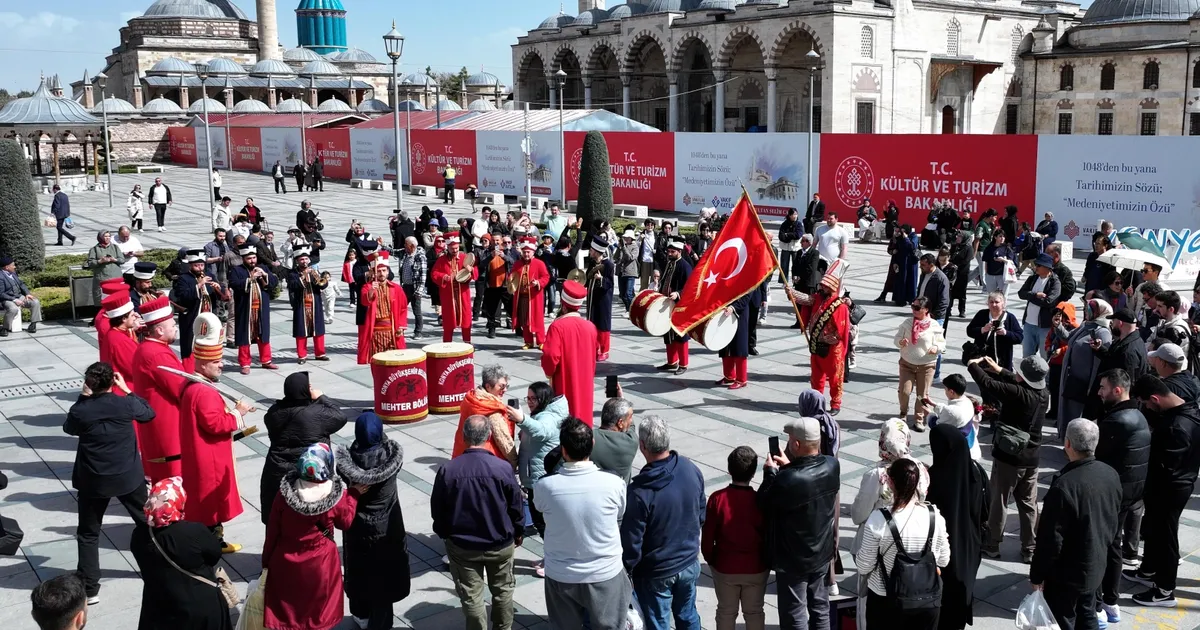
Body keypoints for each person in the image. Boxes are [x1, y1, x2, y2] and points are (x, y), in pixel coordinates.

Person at [64, 361, 154, 603]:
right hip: (128, 476)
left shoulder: (81, 410)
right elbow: (148, 413)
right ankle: (158, 570)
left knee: (88, 533)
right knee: (148, 524)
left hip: (94, 480)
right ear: (112, 382)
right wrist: (127, 390)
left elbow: (69, 428)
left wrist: (83, 398)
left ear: (89, 384)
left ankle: (90, 587)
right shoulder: (125, 404)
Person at [535, 417, 631, 630]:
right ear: (592, 444)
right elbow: (619, 513)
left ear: (563, 450)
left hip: (561, 574)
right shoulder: (615, 483)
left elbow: (540, 508)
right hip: (605, 573)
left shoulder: (545, 486)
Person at [433, 415, 524, 630]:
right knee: (503, 592)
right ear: (489, 435)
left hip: (463, 546)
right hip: (500, 543)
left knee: (471, 596)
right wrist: (518, 531)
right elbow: (516, 506)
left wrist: (445, 533)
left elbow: (438, 509)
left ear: (464, 437)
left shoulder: (448, 470)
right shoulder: (502, 468)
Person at [1030, 419, 1121, 630]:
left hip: (1066, 574)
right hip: (1096, 564)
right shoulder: (1110, 474)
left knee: (1064, 619)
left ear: (1068, 444)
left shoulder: (1064, 486)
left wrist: (1037, 575)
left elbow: (1051, 540)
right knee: (1087, 613)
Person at [621, 416, 706, 630]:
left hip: (656, 573)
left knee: (658, 623)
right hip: (688, 562)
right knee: (688, 615)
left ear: (642, 446)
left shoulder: (639, 492)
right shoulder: (689, 468)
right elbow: (701, 512)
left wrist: (627, 569)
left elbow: (632, 542)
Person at [263, 444, 360, 630]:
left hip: (286, 561)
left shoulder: (284, 494)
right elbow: (345, 522)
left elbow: (273, 532)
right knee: (319, 613)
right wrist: (353, 495)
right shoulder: (334, 495)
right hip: (321, 563)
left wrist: (266, 562)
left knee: (290, 612)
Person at [1124, 374, 1200, 607]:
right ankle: (1148, 570)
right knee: (1155, 530)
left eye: (1146, 403)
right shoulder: (1189, 410)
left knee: (1166, 537)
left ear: (1155, 399)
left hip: (1170, 489)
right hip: (1175, 484)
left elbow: (1163, 468)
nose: (1147, 408)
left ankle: (1164, 590)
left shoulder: (1176, 427)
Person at [758, 417, 840, 630]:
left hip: (794, 559)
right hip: (822, 552)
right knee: (821, 608)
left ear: (796, 444)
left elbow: (763, 502)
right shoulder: (832, 465)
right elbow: (808, 482)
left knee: (795, 613)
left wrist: (770, 474)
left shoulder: (788, 480)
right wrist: (790, 466)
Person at [178, 313, 249, 554]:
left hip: (200, 453)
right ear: (203, 363)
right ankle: (211, 546)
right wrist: (238, 413)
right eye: (216, 361)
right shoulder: (205, 392)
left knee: (205, 505)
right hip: (210, 458)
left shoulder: (194, 386)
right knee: (211, 505)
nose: (221, 364)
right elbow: (216, 424)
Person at [335, 412, 411, 630]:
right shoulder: (391, 460)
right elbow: (388, 449)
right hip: (387, 526)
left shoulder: (347, 463)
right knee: (384, 575)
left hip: (357, 526)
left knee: (359, 569)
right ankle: (381, 622)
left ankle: (360, 614)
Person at [969, 354, 1048, 562]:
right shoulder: (1043, 394)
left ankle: (992, 544)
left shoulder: (1017, 394)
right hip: (1032, 458)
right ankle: (1029, 548)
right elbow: (1018, 382)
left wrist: (972, 364)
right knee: (1028, 503)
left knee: (1000, 500)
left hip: (1009, 458)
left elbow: (987, 383)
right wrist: (1000, 370)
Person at [855, 458, 950, 629]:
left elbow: (864, 566)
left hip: (885, 600)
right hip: (927, 601)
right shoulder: (934, 515)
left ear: (890, 483)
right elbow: (944, 560)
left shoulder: (878, 519)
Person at [128, 477, 233, 630]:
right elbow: (214, 555)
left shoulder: (139, 535)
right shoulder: (194, 531)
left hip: (159, 607)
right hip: (199, 605)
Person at [1094, 369, 1150, 620]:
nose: (1099, 392)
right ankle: (1111, 601)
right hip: (1130, 493)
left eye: (1103, 387)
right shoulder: (1138, 415)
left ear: (1117, 390)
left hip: (1112, 495)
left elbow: (1096, 455)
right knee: (1114, 545)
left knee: (1101, 546)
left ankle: (1097, 606)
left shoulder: (1116, 421)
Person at [260, 371, 347, 524]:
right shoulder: (315, 413)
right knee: (311, 523)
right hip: (309, 474)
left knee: (279, 520)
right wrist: (321, 397)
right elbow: (340, 416)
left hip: (276, 471)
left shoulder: (274, 412)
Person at [927, 423, 988, 630]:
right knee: (962, 592)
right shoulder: (976, 471)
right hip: (970, 544)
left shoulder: (934, 477)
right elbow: (986, 510)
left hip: (943, 548)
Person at [702, 446, 769, 630]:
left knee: (726, 612)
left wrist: (711, 559)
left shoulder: (717, 499)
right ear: (753, 473)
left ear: (729, 470)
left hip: (725, 567)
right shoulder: (760, 500)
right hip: (756, 567)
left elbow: (707, 537)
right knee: (754, 612)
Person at [511, 382, 568, 568]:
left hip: (540, 479)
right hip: (535, 478)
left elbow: (541, 431)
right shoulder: (541, 414)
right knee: (542, 522)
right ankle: (550, 558)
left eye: (533, 398)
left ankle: (553, 561)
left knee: (544, 524)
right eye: (528, 398)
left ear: (543, 398)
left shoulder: (548, 417)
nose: (529, 402)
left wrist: (522, 419)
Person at [130, 296, 187, 481]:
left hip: (158, 420)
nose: (176, 328)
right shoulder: (157, 354)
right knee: (172, 474)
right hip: (167, 423)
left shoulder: (151, 348)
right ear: (160, 330)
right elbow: (180, 388)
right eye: (172, 325)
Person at [790, 268, 850, 414]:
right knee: (816, 377)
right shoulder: (818, 298)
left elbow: (840, 332)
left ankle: (836, 404)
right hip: (816, 345)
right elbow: (806, 299)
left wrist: (825, 338)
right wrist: (791, 291)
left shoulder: (840, 306)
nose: (822, 288)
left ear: (831, 288)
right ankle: (817, 401)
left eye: (825, 286)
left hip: (832, 349)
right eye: (822, 285)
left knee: (835, 378)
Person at [542, 280, 599, 424]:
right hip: (585, 380)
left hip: (565, 380)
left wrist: (549, 372)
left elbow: (550, 356)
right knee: (584, 416)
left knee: (566, 419)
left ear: (563, 305)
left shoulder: (557, 327)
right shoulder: (590, 327)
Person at [1059, 300, 1113, 429]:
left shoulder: (1102, 332)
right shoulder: (1085, 325)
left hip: (1083, 384)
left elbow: (1102, 360)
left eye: (1090, 310)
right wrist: (1058, 326)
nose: (1085, 312)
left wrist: (1093, 386)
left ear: (1099, 312)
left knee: (1076, 416)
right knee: (1067, 412)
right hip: (1072, 378)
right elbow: (1068, 337)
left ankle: (1073, 439)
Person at [1084, 308, 1147, 419]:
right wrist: (1100, 349)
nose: (1111, 324)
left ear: (1120, 323)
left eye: (1113, 321)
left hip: (1114, 405)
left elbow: (1126, 382)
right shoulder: (1126, 340)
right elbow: (1112, 359)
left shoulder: (1129, 351)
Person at [895, 297, 945, 431]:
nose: (914, 310)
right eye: (913, 306)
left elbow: (942, 343)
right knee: (904, 391)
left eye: (917, 308)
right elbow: (897, 339)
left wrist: (936, 348)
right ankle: (903, 413)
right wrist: (901, 342)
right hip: (907, 363)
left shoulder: (934, 325)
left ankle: (919, 418)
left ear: (926, 309)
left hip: (926, 365)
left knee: (921, 394)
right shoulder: (907, 323)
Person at [453, 365, 518, 466]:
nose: (505, 390)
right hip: (486, 461)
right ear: (488, 386)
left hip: (462, 456)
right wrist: (514, 462)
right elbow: (504, 442)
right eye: (501, 386)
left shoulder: (471, 399)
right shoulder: (492, 410)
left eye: (506, 386)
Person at [227, 244, 277, 374]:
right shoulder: (237, 270)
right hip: (245, 309)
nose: (252, 261)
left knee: (263, 334)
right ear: (243, 258)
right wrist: (250, 279)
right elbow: (234, 284)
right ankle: (245, 363)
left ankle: (266, 361)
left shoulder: (263, 267)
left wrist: (265, 275)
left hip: (261, 309)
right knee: (244, 335)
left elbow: (274, 282)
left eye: (254, 258)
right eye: (249, 258)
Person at [173, 249, 222, 373]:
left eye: (202, 265)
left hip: (208, 317)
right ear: (190, 265)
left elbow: (217, 298)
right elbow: (182, 297)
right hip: (191, 318)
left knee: (207, 344)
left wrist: (217, 289)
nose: (200, 268)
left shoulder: (209, 275)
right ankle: (189, 370)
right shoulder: (184, 278)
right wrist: (199, 285)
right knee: (189, 345)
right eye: (196, 265)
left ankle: (206, 370)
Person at [356, 252, 408, 364]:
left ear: (388, 271)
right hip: (375, 332)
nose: (382, 274)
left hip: (392, 331)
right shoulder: (367, 287)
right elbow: (364, 301)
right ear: (374, 272)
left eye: (384, 270)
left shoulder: (396, 288)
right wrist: (371, 291)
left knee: (395, 362)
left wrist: (401, 326)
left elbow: (403, 308)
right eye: (379, 271)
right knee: (377, 363)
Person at [430, 236, 477, 342]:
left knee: (466, 319)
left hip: (462, 294)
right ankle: (447, 344)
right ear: (447, 247)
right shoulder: (441, 260)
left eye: (456, 248)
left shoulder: (464, 257)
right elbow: (434, 273)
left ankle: (467, 343)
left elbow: (476, 271)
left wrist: (471, 270)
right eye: (452, 249)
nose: (455, 251)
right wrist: (444, 277)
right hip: (448, 295)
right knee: (448, 321)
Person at [926, 374, 982, 461]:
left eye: (945, 389)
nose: (945, 392)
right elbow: (947, 410)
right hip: (971, 446)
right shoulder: (968, 401)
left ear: (951, 392)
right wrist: (935, 405)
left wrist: (929, 414)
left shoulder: (952, 412)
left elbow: (937, 426)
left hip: (960, 454)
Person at [1017, 254, 1062, 358]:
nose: (1035, 267)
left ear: (1047, 267)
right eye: (1036, 265)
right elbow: (1021, 293)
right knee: (1027, 356)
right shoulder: (1032, 278)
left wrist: (1030, 297)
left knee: (1044, 356)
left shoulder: (1055, 282)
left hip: (1044, 326)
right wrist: (1035, 295)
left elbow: (1049, 302)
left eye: (1039, 265)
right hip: (1028, 324)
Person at [966, 291, 1023, 371]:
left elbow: (1019, 337)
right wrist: (982, 329)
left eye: (997, 302)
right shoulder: (982, 314)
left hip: (1002, 360)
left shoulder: (1009, 318)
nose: (993, 305)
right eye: (991, 302)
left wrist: (1006, 333)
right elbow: (969, 331)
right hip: (982, 358)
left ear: (1003, 303)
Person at [511, 237, 551, 349]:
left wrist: (538, 282)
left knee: (537, 320)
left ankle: (541, 341)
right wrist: (511, 282)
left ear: (533, 252)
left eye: (528, 252)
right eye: (524, 252)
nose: (526, 254)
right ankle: (528, 341)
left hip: (535, 297)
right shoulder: (517, 264)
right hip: (522, 296)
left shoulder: (539, 263)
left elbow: (546, 277)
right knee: (524, 320)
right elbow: (512, 276)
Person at [594, 397, 639, 482]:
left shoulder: (589, 438)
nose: (631, 420)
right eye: (630, 417)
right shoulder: (630, 441)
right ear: (620, 423)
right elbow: (631, 427)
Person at [585, 236, 616, 360]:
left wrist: (601, 279)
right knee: (592, 322)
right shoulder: (592, 263)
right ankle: (594, 348)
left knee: (602, 323)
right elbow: (587, 277)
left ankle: (604, 351)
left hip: (603, 299)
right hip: (592, 297)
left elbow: (610, 283)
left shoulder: (608, 265)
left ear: (597, 252)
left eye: (592, 250)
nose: (590, 252)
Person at [717, 296, 752, 389]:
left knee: (739, 345)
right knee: (725, 345)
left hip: (739, 313)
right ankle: (729, 376)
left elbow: (747, 296)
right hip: (724, 309)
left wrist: (733, 307)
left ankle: (741, 379)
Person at [0, 256, 40, 335]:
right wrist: (14, 300)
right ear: (7, 267)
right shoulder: (0, 277)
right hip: (7, 299)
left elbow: (21, 284)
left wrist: (27, 293)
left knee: (35, 302)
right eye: (13, 265)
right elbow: (1, 294)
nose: (14, 267)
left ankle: (33, 324)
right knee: (13, 309)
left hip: (18, 296)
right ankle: (5, 328)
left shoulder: (13, 273)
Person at [397, 236, 426, 339]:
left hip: (415, 288)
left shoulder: (420, 257)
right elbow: (394, 252)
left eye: (406, 244)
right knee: (400, 307)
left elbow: (423, 275)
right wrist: (382, 245)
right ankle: (399, 328)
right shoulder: (405, 253)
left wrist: (419, 290)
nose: (404, 246)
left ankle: (418, 332)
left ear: (412, 246)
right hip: (405, 287)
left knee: (416, 310)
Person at [791, 234, 822, 327]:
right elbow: (794, 266)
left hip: (808, 283)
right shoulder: (799, 252)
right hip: (798, 283)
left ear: (809, 243)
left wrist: (800, 277)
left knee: (808, 303)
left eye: (803, 241)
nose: (801, 243)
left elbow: (811, 268)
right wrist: (794, 276)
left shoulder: (814, 253)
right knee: (798, 302)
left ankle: (808, 322)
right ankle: (798, 322)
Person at [86, 230, 124, 304]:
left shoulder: (115, 247)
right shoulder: (94, 249)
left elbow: (122, 260)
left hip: (115, 277)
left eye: (109, 236)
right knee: (103, 299)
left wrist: (114, 259)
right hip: (102, 278)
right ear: (100, 237)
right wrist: (100, 261)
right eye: (105, 236)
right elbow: (90, 263)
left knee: (117, 299)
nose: (107, 238)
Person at [981, 230, 1015, 298]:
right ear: (995, 237)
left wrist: (1003, 260)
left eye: (1003, 236)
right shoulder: (989, 248)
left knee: (1003, 296)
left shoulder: (1007, 247)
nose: (1002, 238)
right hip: (991, 275)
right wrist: (986, 274)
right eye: (1000, 236)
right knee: (992, 296)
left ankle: (1003, 305)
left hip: (1003, 275)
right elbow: (986, 262)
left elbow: (1011, 261)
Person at [778, 209, 804, 283]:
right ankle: (784, 281)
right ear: (789, 215)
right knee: (784, 265)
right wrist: (789, 237)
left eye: (796, 214)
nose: (794, 216)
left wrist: (788, 235)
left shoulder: (799, 224)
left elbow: (798, 235)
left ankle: (795, 281)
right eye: (793, 214)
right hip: (785, 247)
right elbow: (781, 236)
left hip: (795, 248)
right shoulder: (784, 224)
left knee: (796, 265)